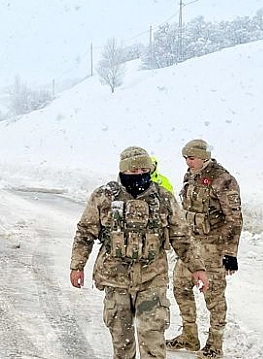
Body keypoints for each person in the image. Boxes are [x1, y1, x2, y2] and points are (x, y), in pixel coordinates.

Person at [70, 146, 208, 359]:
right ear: (123, 171)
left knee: (153, 339)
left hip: (152, 279)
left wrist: (197, 267)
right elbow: (85, 233)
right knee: (121, 341)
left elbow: (182, 236)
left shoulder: (163, 198)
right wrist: (77, 266)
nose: (139, 175)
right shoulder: (105, 196)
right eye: (133, 171)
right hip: (116, 280)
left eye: (144, 169)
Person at [167, 139, 243, 358]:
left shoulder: (223, 179)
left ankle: (215, 345)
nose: (188, 162)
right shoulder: (190, 176)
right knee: (180, 285)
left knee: (214, 295)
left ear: (204, 156)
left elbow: (235, 220)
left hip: (214, 246)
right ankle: (189, 336)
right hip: (192, 244)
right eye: (185, 158)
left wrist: (230, 253)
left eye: (191, 158)